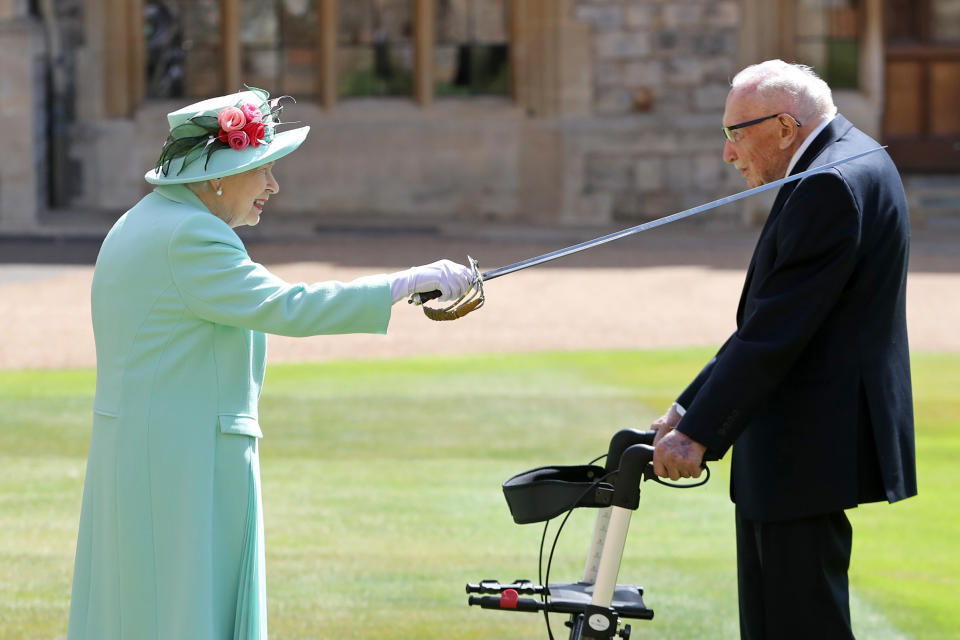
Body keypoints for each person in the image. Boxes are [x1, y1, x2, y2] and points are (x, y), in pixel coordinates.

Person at [66, 88, 474, 640]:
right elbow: (289, 307)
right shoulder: (191, 235)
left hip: (151, 452)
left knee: (143, 609)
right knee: (182, 613)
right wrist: (403, 284)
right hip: (181, 461)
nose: (272, 186)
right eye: (261, 169)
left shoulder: (144, 220)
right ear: (218, 174)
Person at [650, 60, 916, 639]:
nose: (729, 154)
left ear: (785, 127)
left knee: (799, 624)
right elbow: (772, 319)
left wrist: (697, 433)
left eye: (735, 134)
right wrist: (688, 407)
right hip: (804, 441)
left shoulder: (828, 181)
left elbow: (778, 332)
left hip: (807, 443)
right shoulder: (851, 156)